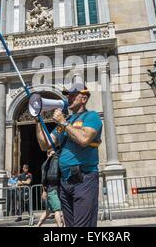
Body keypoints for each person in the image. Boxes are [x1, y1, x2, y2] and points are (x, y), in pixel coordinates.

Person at [35, 82, 102, 227]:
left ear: (83, 99)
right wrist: (38, 120)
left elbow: (84, 139)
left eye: (73, 95)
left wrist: (63, 123)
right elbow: (45, 144)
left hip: (84, 178)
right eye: (68, 95)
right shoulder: (65, 122)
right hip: (65, 181)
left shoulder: (91, 116)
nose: (69, 98)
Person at [36, 150, 64, 227]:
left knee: (48, 211)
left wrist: (44, 191)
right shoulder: (53, 162)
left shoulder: (45, 164)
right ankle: (60, 225)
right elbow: (46, 178)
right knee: (58, 210)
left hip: (50, 190)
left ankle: (38, 225)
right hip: (54, 190)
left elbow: (43, 179)